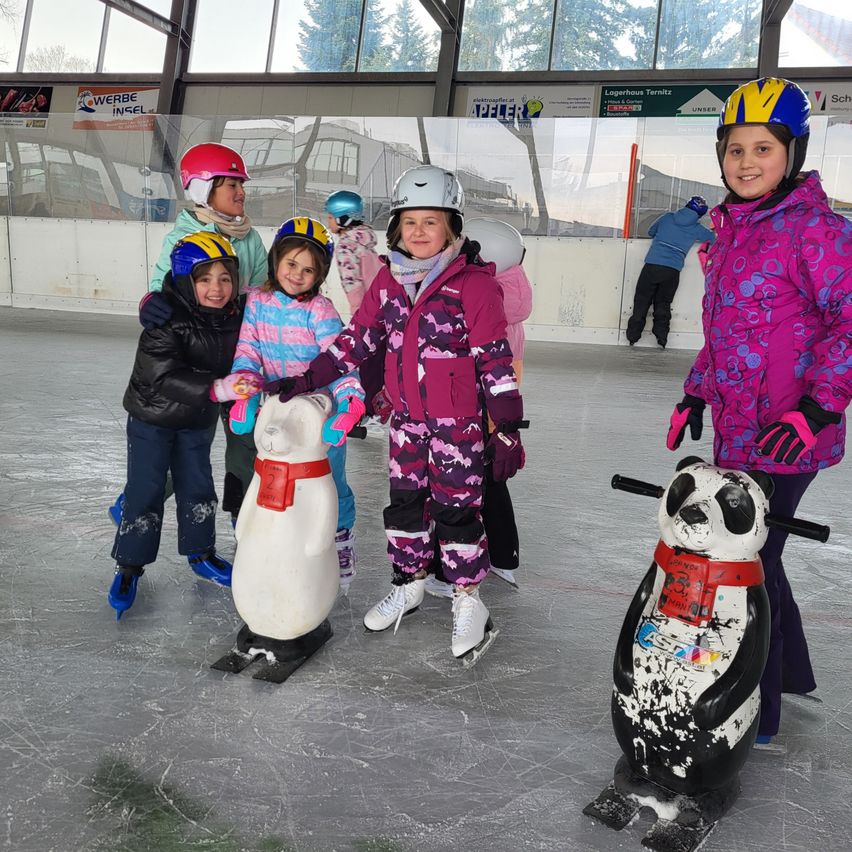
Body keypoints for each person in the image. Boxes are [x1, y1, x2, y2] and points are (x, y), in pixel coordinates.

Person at [267, 165, 526, 664]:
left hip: (458, 428)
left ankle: (469, 601)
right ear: (396, 228)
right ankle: (408, 584)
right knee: (405, 506)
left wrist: (507, 428)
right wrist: (307, 379)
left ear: (452, 227)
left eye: (431, 222)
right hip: (406, 421)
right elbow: (355, 341)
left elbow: (495, 360)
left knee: (457, 512)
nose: (420, 233)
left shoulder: (473, 285)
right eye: (410, 222)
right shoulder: (388, 281)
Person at [666, 77, 852, 745]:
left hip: (790, 430)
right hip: (737, 426)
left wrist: (818, 407)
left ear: (792, 153)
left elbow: (849, 322)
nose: (746, 163)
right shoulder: (731, 230)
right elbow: (726, 333)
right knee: (763, 553)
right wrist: (696, 391)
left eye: (763, 149)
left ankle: (759, 713)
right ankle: (794, 673)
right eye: (735, 149)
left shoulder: (817, 231)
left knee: (751, 564)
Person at [109, 143, 269, 526]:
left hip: (240, 354)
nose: (241, 193)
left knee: (245, 443)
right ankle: (132, 502)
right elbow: (159, 284)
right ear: (202, 190)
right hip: (197, 362)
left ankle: (241, 517)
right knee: (185, 444)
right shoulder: (184, 237)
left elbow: (262, 290)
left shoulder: (249, 239)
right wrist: (151, 301)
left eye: (241, 184)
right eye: (230, 184)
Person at [108, 233, 261, 620]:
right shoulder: (166, 319)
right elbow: (160, 376)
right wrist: (216, 389)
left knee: (198, 488)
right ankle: (129, 566)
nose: (216, 288)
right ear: (184, 281)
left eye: (225, 278)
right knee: (145, 492)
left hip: (197, 420)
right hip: (152, 419)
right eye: (205, 279)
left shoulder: (235, 316)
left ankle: (201, 554)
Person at [216, 216, 365, 595]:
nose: (298, 275)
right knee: (277, 477)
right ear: (276, 260)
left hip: (318, 412)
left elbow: (341, 361)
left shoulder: (321, 312)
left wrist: (349, 405)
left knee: (330, 479)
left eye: (309, 269)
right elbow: (248, 351)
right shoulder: (257, 303)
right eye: (291, 263)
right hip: (276, 409)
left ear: (320, 274)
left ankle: (341, 538)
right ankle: (282, 543)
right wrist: (245, 392)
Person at [425, 217, 533, 594]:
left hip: (473, 409)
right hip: (495, 411)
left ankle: (445, 570)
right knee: (490, 484)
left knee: (456, 486)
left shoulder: (484, 298)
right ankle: (504, 557)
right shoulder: (510, 292)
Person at [324, 190, 388, 429]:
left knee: (365, 360)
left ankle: (366, 410)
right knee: (380, 359)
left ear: (344, 218)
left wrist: (359, 319)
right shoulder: (365, 240)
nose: (328, 221)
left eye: (331, 217)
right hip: (385, 307)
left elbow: (352, 283)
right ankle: (379, 404)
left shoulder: (346, 247)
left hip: (368, 311)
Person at [626, 195, 715, 348]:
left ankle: (633, 337)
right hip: (672, 270)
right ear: (700, 214)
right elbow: (713, 238)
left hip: (652, 265)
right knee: (663, 303)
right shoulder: (697, 228)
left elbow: (651, 232)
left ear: (686, 205)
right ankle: (661, 339)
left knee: (641, 300)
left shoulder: (667, 217)